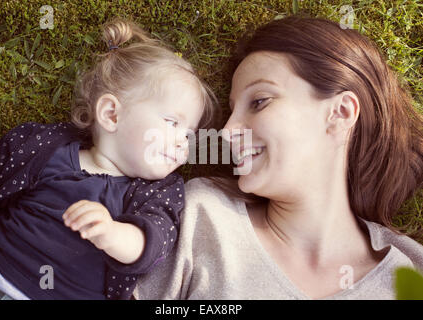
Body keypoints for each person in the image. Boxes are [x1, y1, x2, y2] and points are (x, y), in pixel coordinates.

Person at [133, 16, 423, 300]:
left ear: (341, 113)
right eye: (232, 110)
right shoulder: (200, 218)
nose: (227, 132)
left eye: (259, 102)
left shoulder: (409, 274)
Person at [0, 17, 216, 300]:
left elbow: (155, 242)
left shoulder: (159, 191)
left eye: (188, 135)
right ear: (112, 114)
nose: (181, 142)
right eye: (172, 123)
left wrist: (113, 234)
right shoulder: (44, 147)